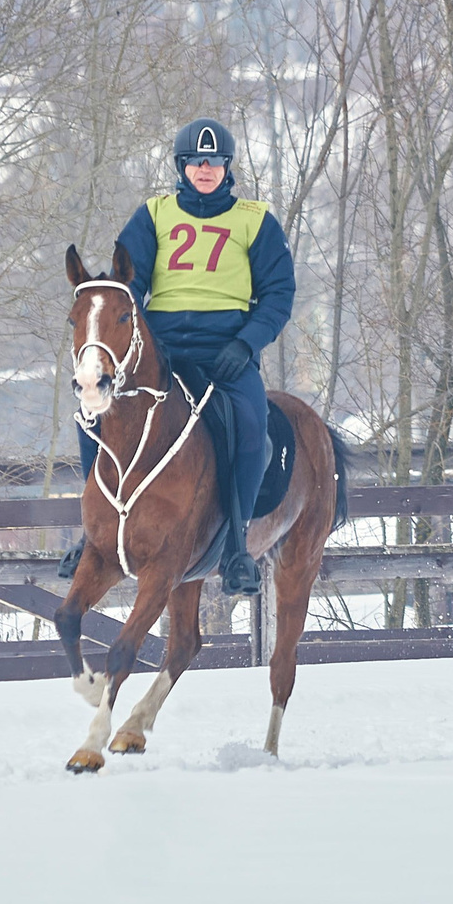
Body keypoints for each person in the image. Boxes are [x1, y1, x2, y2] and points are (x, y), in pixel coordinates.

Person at [63, 115, 295, 594]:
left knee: (252, 427)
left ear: (227, 167)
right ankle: (92, 534)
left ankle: (235, 548)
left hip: (228, 355)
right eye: (195, 162)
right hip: (164, 354)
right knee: (93, 414)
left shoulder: (255, 221)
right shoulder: (154, 215)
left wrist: (246, 343)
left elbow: (278, 294)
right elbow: (128, 283)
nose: (204, 169)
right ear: (182, 167)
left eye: (213, 162)